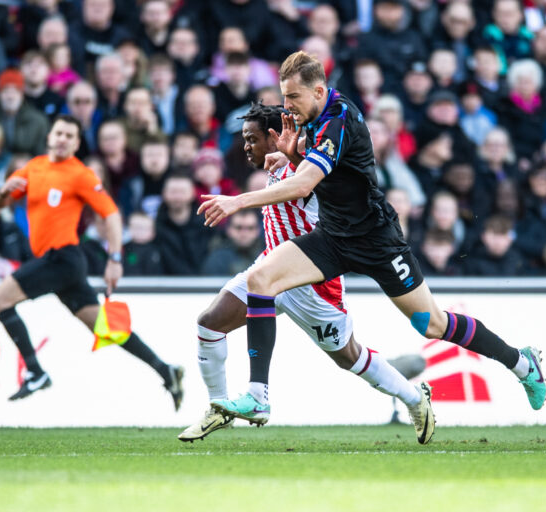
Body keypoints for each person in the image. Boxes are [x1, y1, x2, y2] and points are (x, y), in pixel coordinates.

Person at [199, 52, 546, 432]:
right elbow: (323, 168)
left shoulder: (338, 121)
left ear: (318, 90)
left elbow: (303, 184)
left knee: (432, 324)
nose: (287, 107)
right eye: (284, 98)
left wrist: (238, 201)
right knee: (260, 280)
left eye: (294, 98)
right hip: (332, 236)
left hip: (377, 240)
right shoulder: (311, 117)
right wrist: (292, 152)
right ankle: (258, 395)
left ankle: (522, 362)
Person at [180, 103, 434, 443]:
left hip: (313, 281)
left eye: (251, 138)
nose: (246, 146)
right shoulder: (278, 163)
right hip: (270, 269)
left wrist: (242, 197)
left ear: (274, 137)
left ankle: (415, 399)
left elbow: (308, 185)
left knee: (349, 357)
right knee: (209, 323)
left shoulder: (309, 168)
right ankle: (221, 406)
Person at [0, 114, 184, 408]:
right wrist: (3, 192)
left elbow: (112, 215)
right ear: (49, 136)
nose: (62, 139)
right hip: (56, 262)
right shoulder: (34, 167)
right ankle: (165, 369)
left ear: (77, 143)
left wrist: (115, 258)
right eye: (59, 133)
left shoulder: (79, 175)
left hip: (63, 258)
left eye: (70, 136)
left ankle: (35, 372)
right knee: (106, 328)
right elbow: (1, 204)